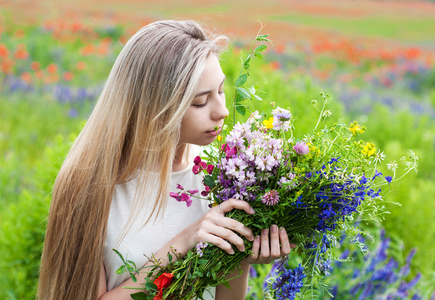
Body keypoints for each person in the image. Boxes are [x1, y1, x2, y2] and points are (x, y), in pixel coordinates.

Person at [38, 20, 293, 300]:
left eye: (220, 90)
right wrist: (183, 242)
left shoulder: (222, 174)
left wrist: (241, 253)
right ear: (156, 107)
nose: (221, 111)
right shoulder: (89, 184)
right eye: (200, 102)